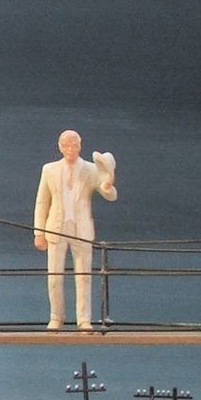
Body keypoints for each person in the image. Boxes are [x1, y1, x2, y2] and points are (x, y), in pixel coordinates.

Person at [33, 129, 117, 330]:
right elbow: (42, 202)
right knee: (54, 277)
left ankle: (84, 319)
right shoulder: (49, 170)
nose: (70, 149)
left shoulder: (91, 169)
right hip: (56, 229)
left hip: (81, 229)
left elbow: (109, 194)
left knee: (84, 276)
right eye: (66, 145)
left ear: (80, 146)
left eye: (73, 145)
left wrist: (107, 185)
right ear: (60, 147)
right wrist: (39, 232)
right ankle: (56, 317)